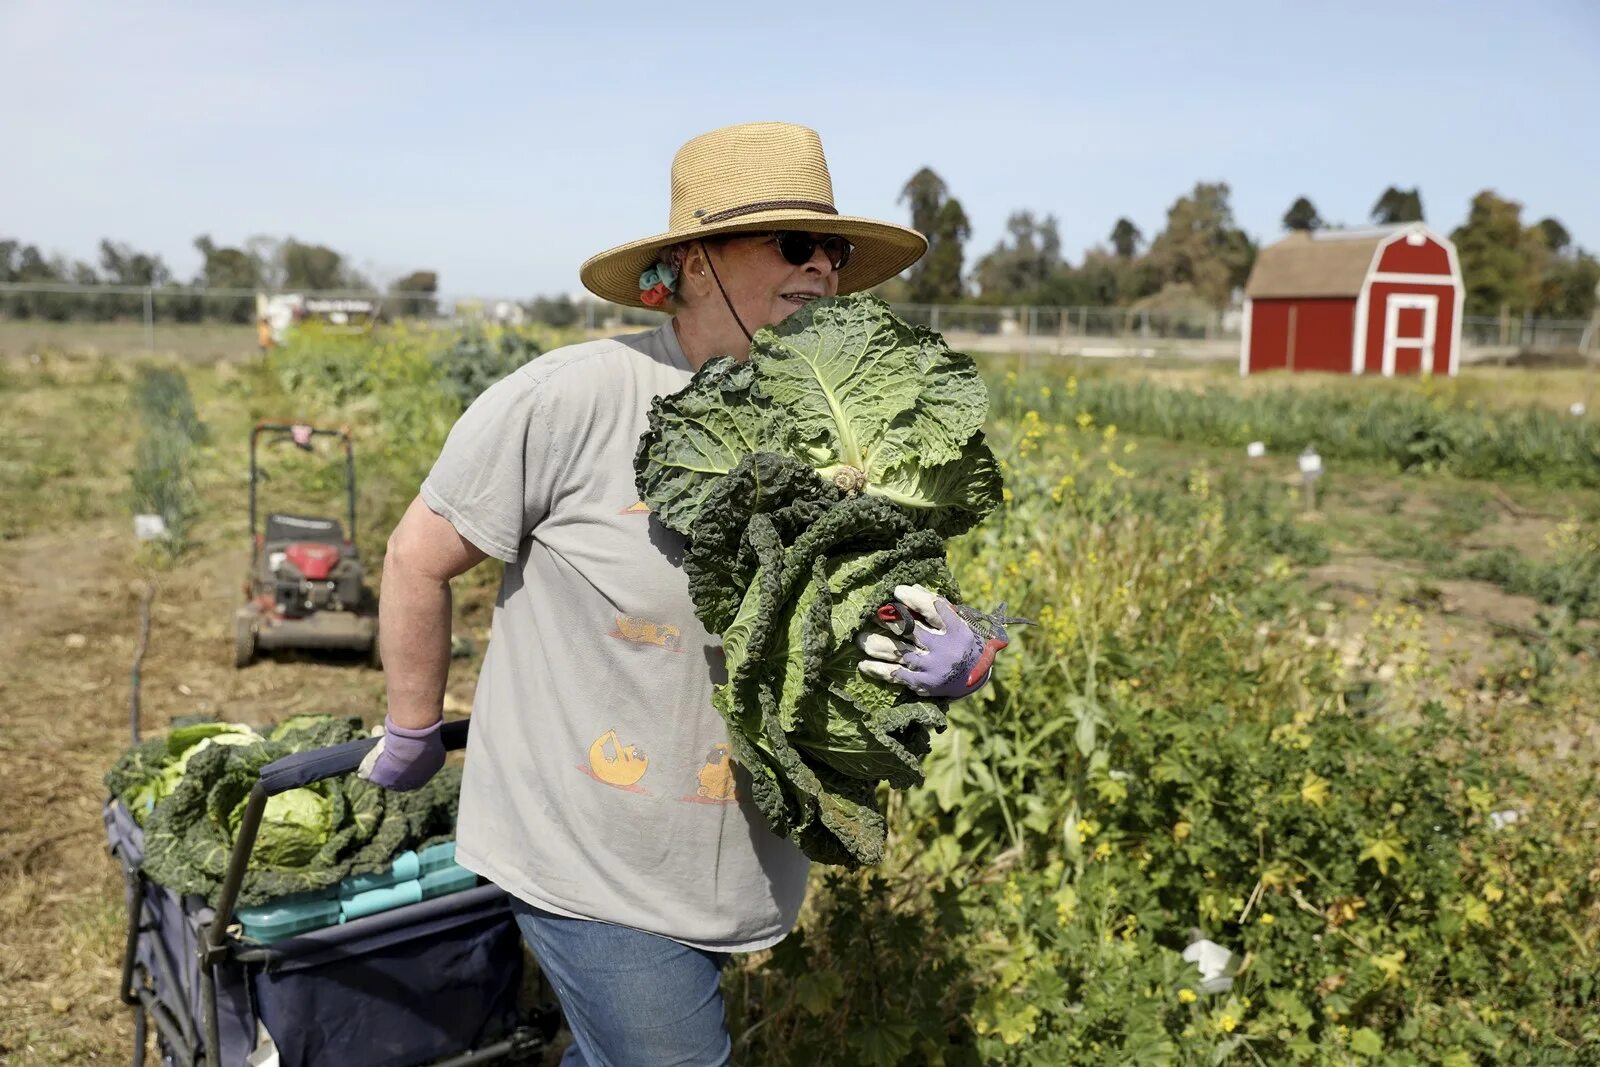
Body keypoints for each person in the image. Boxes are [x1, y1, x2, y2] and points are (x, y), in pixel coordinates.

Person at [358, 122, 1008, 1066]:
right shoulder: (573, 399)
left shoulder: (836, 425)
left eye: (832, 249)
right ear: (693, 262)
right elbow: (417, 556)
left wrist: (959, 652)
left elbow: (876, 597)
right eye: (792, 244)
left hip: (732, 861)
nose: (821, 268)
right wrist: (413, 725)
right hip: (582, 848)